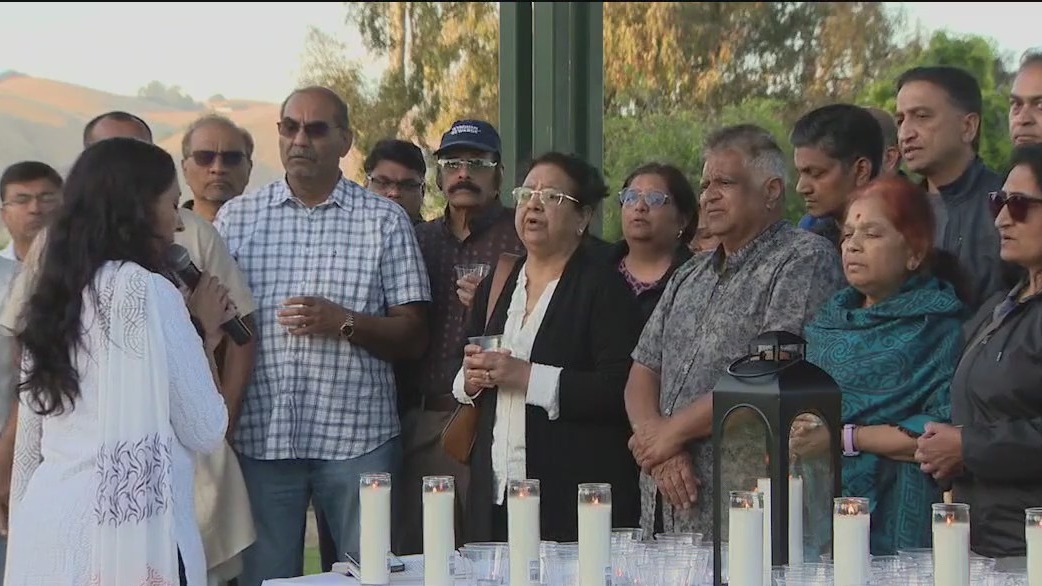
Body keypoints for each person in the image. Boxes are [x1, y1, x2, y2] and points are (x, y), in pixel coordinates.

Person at [2, 138, 229, 586]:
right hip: (127, 541)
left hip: (49, 531)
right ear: (140, 209)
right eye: (171, 204)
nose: (178, 225)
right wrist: (205, 332)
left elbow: (32, 439)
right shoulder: (149, 293)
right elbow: (205, 428)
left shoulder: (52, 294)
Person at [453, 152, 642, 541]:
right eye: (526, 194)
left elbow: (618, 389)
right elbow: (464, 374)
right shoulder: (498, 282)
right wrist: (470, 381)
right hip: (496, 490)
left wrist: (526, 376)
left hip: (570, 495)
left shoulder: (605, 288)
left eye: (552, 197)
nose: (534, 205)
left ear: (583, 218)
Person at [797, 175, 969, 556]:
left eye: (872, 234)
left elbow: (939, 434)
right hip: (821, 510)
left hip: (900, 512)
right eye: (847, 234)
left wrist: (844, 438)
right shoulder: (828, 321)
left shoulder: (938, 328)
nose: (853, 245)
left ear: (913, 251)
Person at [917, 143, 1042, 562]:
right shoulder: (1001, 306)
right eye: (999, 202)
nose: (1003, 218)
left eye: (1021, 205)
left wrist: (968, 448)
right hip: (981, 543)